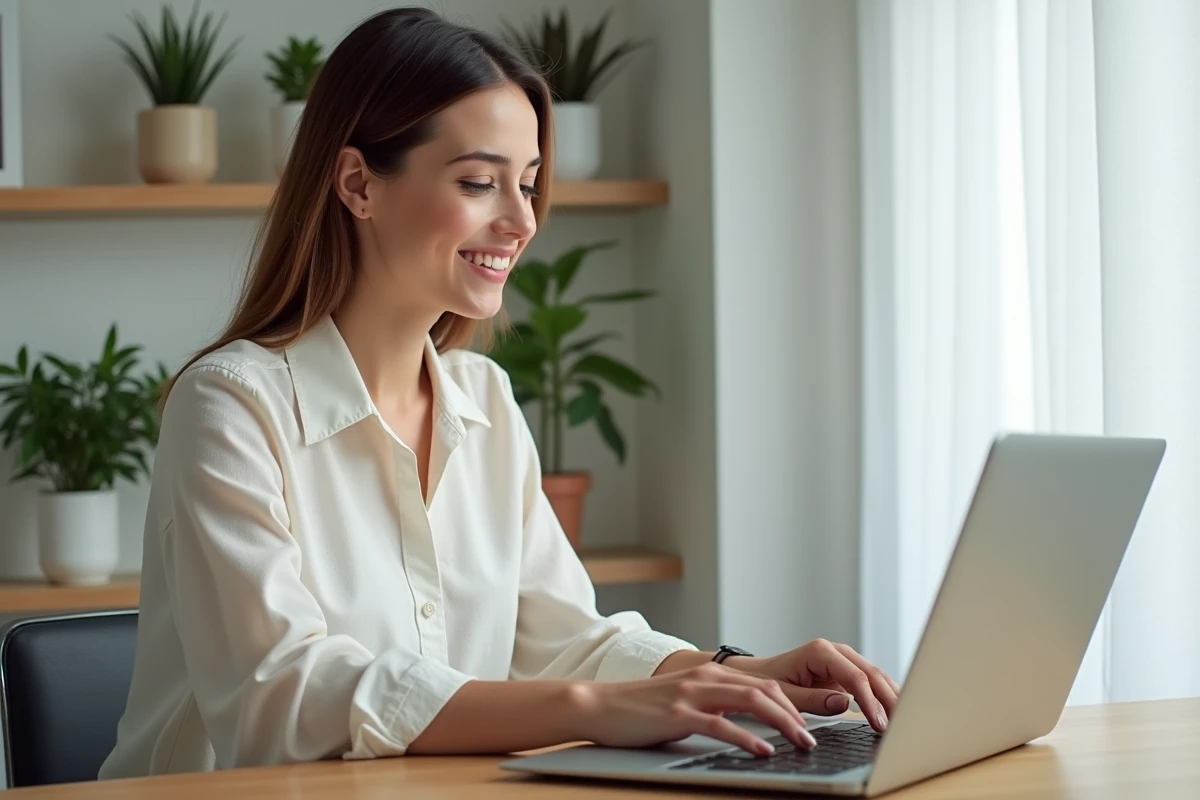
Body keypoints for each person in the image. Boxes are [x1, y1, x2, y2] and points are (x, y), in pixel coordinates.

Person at [98, 7, 899, 779]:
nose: (522, 221)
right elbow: (283, 695)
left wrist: (738, 672)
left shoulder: (483, 398)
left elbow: (563, 638)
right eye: (481, 182)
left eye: (530, 183)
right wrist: (594, 710)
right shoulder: (230, 406)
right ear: (358, 183)